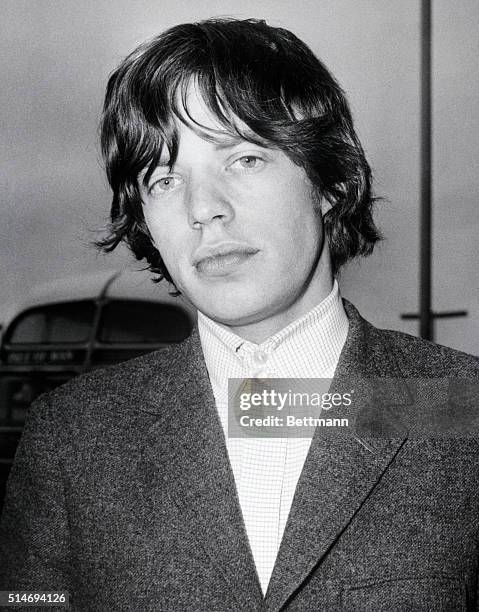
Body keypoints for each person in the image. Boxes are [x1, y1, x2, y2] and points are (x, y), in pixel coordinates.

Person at [1, 17, 478, 612]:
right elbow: (27, 602)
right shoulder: (71, 435)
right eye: (164, 178)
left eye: (244, 159)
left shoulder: (459, 407)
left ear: (328, 180)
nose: (203, 209)